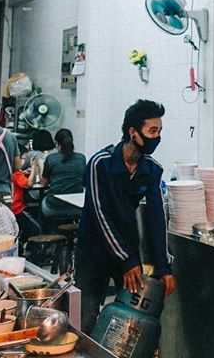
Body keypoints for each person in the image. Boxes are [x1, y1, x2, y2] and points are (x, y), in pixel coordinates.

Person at [75, 100, 175, 335]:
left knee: (128, 324)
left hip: (128, 255)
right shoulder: (100, 163)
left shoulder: (151, 169)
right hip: (94, 252)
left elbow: (156, 219)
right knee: (84, 318)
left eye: (159, 131)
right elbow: (100, 215)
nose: (157, 137)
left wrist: (163, 266)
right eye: (152, 131)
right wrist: (127, 260)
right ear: (133, 132)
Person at [41, 128, 86, 228]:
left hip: (54, 207)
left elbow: (43, 183)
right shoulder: (81, 158)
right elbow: (84, 181)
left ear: (56, 144)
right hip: (76, 206)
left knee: (43, 202)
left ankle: (48, 232)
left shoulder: (51, 159)